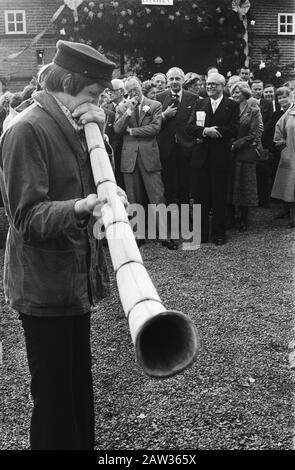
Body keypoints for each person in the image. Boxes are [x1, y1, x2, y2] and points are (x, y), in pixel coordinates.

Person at [0, 40, 128, 450]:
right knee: (54, 400)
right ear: (69, 83)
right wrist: (82, 206)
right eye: (93, 94)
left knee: (78, 389)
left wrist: (102, 140)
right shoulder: (27, 129)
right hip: (44, 286)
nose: (97, 103)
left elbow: (88, 176)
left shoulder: (71, 122)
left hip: (73, 282)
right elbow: (26, 218)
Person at [113, 76, 177, 250]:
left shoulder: (155, 105)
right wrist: (128, 112)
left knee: (157, 195)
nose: (133, 93)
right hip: (129, 158)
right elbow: (118, 129)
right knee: (133, 197)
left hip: (149, 155)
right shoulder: (122, 107)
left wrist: (132, 131)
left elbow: (155, 128)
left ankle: (165, 235)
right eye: (130, 90)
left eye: (135, 89)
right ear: (126, 92)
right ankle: (137, 235)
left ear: (140, 87)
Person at [186, 72, 239, 245]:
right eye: (207, 84)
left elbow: (234, 129)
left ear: (222, 86)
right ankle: (201, 234)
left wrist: (217, 132)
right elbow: (189, 127)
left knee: (219, 197)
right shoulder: (199, 103)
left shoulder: (231, 105)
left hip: (220, 158)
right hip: (201, 158)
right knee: (201, 197)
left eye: (213, 84)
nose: (209, 87)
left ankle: (218, 234)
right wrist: (205, 131)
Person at [156, 67, 198, 205]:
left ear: (183, 80)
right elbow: (153, 123)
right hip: (166, 147)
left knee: (185, 184)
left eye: (177, 78)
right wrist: (164, 115)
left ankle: (184, 217)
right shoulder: (159, 97)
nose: (174, 82)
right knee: (168, 183)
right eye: (172, 79)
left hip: (186, 146)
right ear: (168, 81)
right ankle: (170, 216)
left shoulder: (193, 98)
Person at [230, 82, 263, 231]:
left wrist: (236, 144)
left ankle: (244, 219)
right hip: (229, 153)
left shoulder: (253, 110)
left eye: (237, 92)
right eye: (233, 92)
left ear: (244, 93)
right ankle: (231, 218)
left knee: (245, 187)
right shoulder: (229, 108)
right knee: (231, 186)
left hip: (244, 152)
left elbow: (253, 133)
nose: (235, 95)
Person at [271, 103, 295, 227]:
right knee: (290, 188)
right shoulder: (290, 112)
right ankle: (292, 216)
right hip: (291, 156)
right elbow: (278, 130)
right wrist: (283, 149)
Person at [251, 79, 274, 208]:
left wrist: (259, 135)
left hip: (263, 142)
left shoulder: (267, 103)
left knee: (263, 171)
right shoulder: (248, 102)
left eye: (260, 89)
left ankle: (264, 199)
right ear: (251, 89)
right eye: (255, 89)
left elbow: (270, 121)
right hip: (250, 141)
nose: (258, 91)